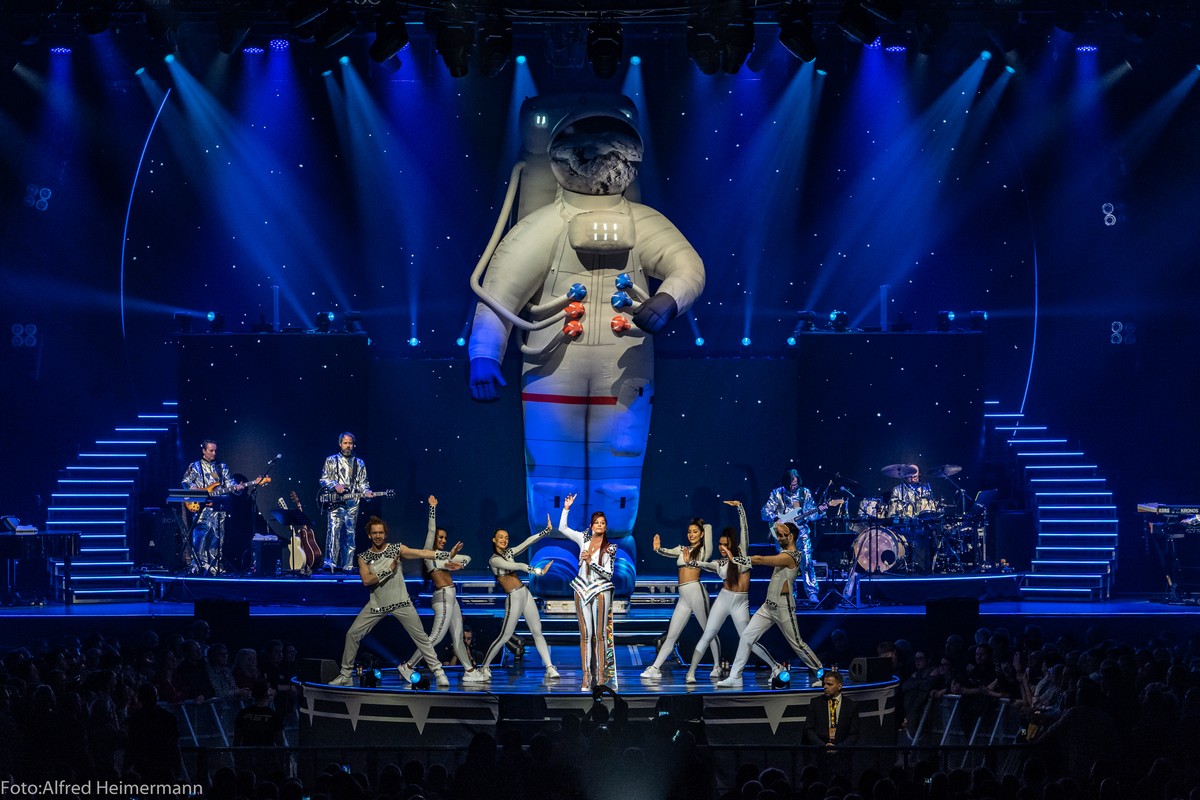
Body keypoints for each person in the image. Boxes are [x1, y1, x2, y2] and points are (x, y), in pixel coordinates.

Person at [330, 515, 463, 687]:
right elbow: (367, 580)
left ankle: (438, 672)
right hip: (377, 604)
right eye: (374, 533)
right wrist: (388, 570)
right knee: (352, 634)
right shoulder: (364, 557)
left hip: (401, 602)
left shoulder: (396, 549)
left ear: (385, 534)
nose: (378, 536)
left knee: (421, 638)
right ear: (369, 535)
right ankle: (346, 674)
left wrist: (447, 554)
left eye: (381, 532)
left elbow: (421, 553)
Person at [717, 520, 824, 688]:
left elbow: (760, 559)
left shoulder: (791, 557)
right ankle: (735, 676)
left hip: (783, 607)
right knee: (746, 637)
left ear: (791, 537)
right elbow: (776, 529)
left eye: (781, 536)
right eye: (778, 535)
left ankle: (822, 674)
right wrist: (777, 525)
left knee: (797, 643)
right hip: (768, 606)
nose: (778, 538)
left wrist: (736, 559)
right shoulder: (784, 551)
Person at [684, 500, 776, 684]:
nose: (721, 547)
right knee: (708, 634)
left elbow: (744, 530)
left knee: (747, 639)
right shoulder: (719, 563)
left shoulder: (742, 554)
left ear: (732, 544)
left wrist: (740, 508)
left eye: (725, 544)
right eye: (719, 544)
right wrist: (691, 562)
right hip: (724, 599)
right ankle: (691, 673)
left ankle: (775, 667)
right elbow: (705, 564)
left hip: (741, 602)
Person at [399, 496, 487, 682]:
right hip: (443, 597)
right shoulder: (429, 556)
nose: (443, 540)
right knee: (436, 637)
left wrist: (457, 564)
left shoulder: (444, 557)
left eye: (445, 538)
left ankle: (470, 672)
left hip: (451, 597)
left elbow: (467, 558)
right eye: (441, 537)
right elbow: (431, 530)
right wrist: (432, 509)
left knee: (458, 637)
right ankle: (408, 666)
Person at [470, 521, 558, 682]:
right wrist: (538, 571)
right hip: (514, 597)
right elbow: (518, 566)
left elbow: (527, 542)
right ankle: (484, 667)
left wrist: (545, 531)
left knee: (537, 631)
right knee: (505, 636)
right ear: (494, 540)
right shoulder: (494, 560)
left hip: (525, 593)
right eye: (501, 537)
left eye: (506, 537)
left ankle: (549, 667)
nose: (504, 540)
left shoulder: (509, 552)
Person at [640, 514, 718, 679]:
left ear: (702, 534)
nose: (691, 534)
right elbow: (666, 552)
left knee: (709, 630)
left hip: (696, 592)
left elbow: (709, 529)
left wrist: (702, 524)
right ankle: (655, 668)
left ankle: (717, 666)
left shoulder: (704, 551)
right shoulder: (683, 549)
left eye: (695, 532)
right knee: (672, 635)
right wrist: (658, 548)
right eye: (689, 532)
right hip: (683, 597)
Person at [558, 492, 618, 692]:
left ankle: (600, 677)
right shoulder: (583, 538)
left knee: (600, 635)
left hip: (601, 589)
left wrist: (591, 562)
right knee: (585, 634)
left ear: (606, 527)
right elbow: (563, 528)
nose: (600, 525)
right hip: (581, 588)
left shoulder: (610, 548)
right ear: (591, 526)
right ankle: (586, 676)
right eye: (597, 522)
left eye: (603, 523)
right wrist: (566, 508)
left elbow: (609, 574)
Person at [181, 439, 258, 575]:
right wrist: (195, 489)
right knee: (200, 537)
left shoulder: (222, 467)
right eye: (211, 450)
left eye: (215, 450)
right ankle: (197, 566)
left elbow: (229, 484)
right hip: (202, 509)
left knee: (217, 538)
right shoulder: (195, 466)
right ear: (204, 451)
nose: (214, 453)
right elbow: (185, 482)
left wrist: (238, 487)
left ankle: (214, 566)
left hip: (218, 508)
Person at [760, 468, 823, 603]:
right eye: (790, 485)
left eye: (795, 484)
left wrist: (820, 511)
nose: (792, 487)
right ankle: (789, 595)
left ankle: (812, 592)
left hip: (802, 533)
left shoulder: (804, 493)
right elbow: (765, 512)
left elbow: (811, 515)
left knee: (807, 561)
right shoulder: (777, 493)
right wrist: (776, 518)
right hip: (784, 534)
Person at [319, 432, 375, 572]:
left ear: (353, 444)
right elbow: (323, 479)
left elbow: (363, 483)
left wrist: (367, 491)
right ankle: (330, 563)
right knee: (333, 532)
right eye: (345, 443)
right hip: (335, 502)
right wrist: (335, 485)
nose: (348, 446)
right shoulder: (331, 460)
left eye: (350, 443)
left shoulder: (359, 463)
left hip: (352, 503)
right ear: (340, 444)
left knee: (350, 534)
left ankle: (347, 565)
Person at [804, 670, 861, 747]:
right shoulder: (816, 703)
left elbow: (854, 734)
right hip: (820, 750)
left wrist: (838, 748)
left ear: (839, 686)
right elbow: (809, 729)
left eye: (829, 684)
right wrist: (823, 746)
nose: (825, 687)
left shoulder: (850, 705)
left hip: (842, 751)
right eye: (824, 684)